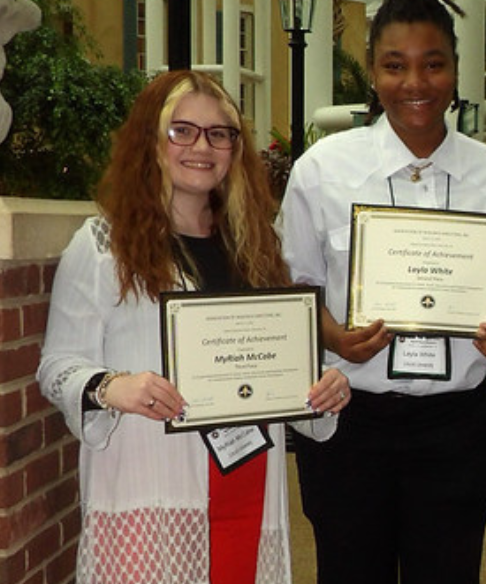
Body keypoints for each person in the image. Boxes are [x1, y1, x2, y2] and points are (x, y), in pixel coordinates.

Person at [36, 70, 350, 584]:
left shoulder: (260, 249)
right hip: (150, 478)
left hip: (245, 478)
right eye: (182, 130)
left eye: (219, 133)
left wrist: (324, 386)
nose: (202, 146)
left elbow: (284, 363)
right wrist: (113, 387)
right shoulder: (102, 246)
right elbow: (57, 366)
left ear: (234, 148)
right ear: (150, 141)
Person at [277, 0, 486, 582]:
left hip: (454, 429)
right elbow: (291, 287)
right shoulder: (323, 170)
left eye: (433, 63)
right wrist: (333, 335)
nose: (415, 82)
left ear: (454, 70)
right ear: (373, 72)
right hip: (348, 424)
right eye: (395, 65)